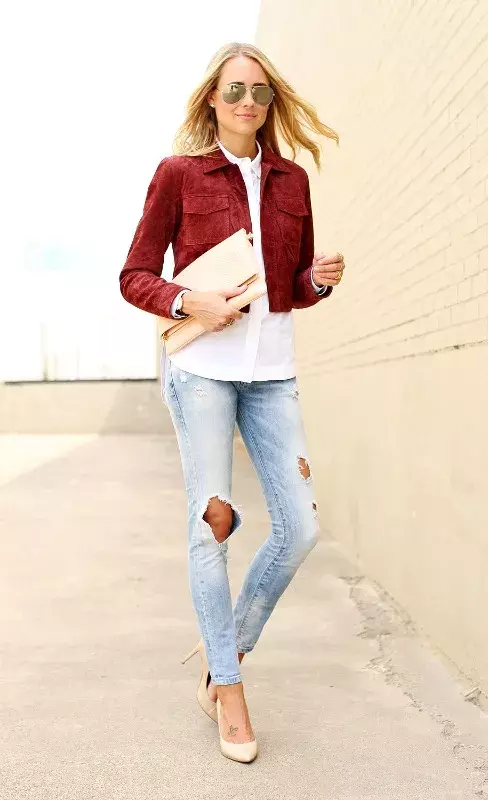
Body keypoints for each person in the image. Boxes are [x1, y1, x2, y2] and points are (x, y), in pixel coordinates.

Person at [119, 41, 344, 763]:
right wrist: (190, 300)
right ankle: (231, 689)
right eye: (235, 90)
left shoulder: (291, 181)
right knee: (210, 528)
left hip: (272, 372)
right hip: (203, 373)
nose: (248, 102)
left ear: (271, 103)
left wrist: (319, 279)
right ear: (213, 100)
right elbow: (134, 275)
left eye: (260, 92)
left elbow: (291, 289)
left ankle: (223, 656)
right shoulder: (179, 174)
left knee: (300, 528)